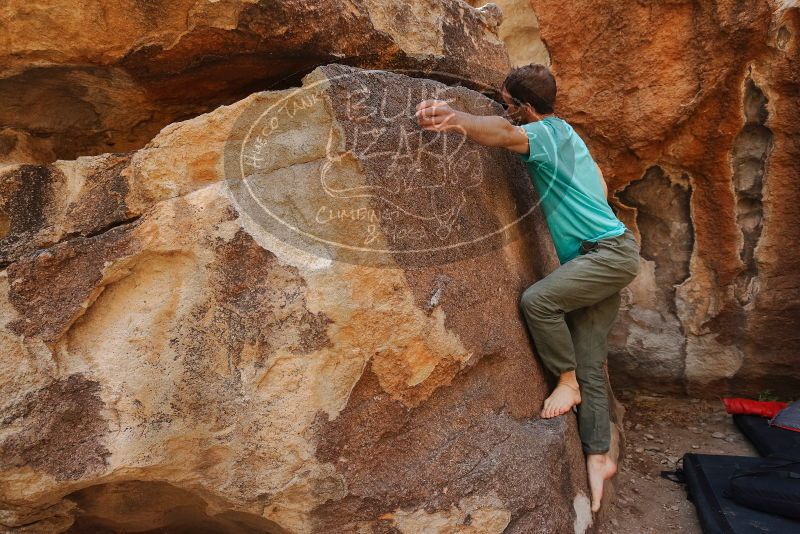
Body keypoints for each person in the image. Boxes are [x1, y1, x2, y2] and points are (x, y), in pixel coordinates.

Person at [415, 63, 640, 513]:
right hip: (605, 252)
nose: (504, 108)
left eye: (507, 102)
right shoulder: (566, 133)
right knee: (593, 361)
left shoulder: (543, 135)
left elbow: (498, 132)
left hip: (606, 256)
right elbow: (596, 175)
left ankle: (566, 380)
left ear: (525, 108)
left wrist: (456, 118)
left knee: (538, 301)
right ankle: (598, 458)